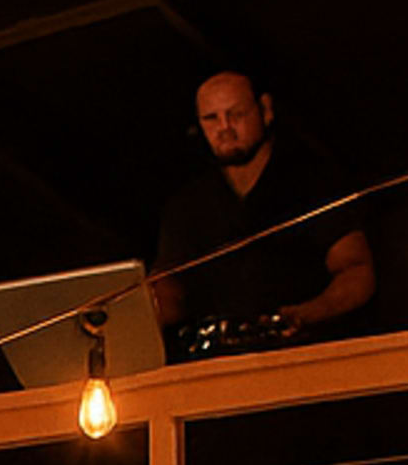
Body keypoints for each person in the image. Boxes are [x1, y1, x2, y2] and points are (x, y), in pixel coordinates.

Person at [151, 71, 373, 350]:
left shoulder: (314, 181)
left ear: (265, 110)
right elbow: (168, 289)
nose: (225, 127)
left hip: (313, 353)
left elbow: (356, 270)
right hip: (219, 366)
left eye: (237, 114)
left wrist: (305, 314)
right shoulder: (187, 206)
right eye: (211, 119)